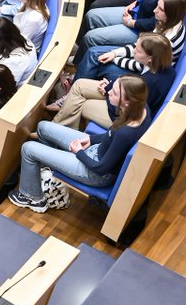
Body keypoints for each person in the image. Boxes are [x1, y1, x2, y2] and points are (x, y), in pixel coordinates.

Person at [9, 75, 150, 214]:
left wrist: (78, 152)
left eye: (114, 93)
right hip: (96, 150)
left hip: (94, 172)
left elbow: (101, 169)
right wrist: (91, 140)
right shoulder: (142, 109)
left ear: (127, 102)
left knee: (28, 149)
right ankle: (47, 175)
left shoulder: (125, 133)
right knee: (43, 127)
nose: (109, 93)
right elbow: (110, 135)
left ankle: (32, 198)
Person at [77, 0, 186, 83]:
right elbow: (138, 48)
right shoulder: (165, 21)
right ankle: (79, 78)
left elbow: (141, 65)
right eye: (157, 6)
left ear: (171, 13)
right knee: (93, 52)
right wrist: (114, 53)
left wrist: (115, 59)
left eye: (161, 9)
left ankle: (77, 89)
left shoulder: (169, 41)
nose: (154, 11)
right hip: (140, 58)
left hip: (142, 75)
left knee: (98, 60)